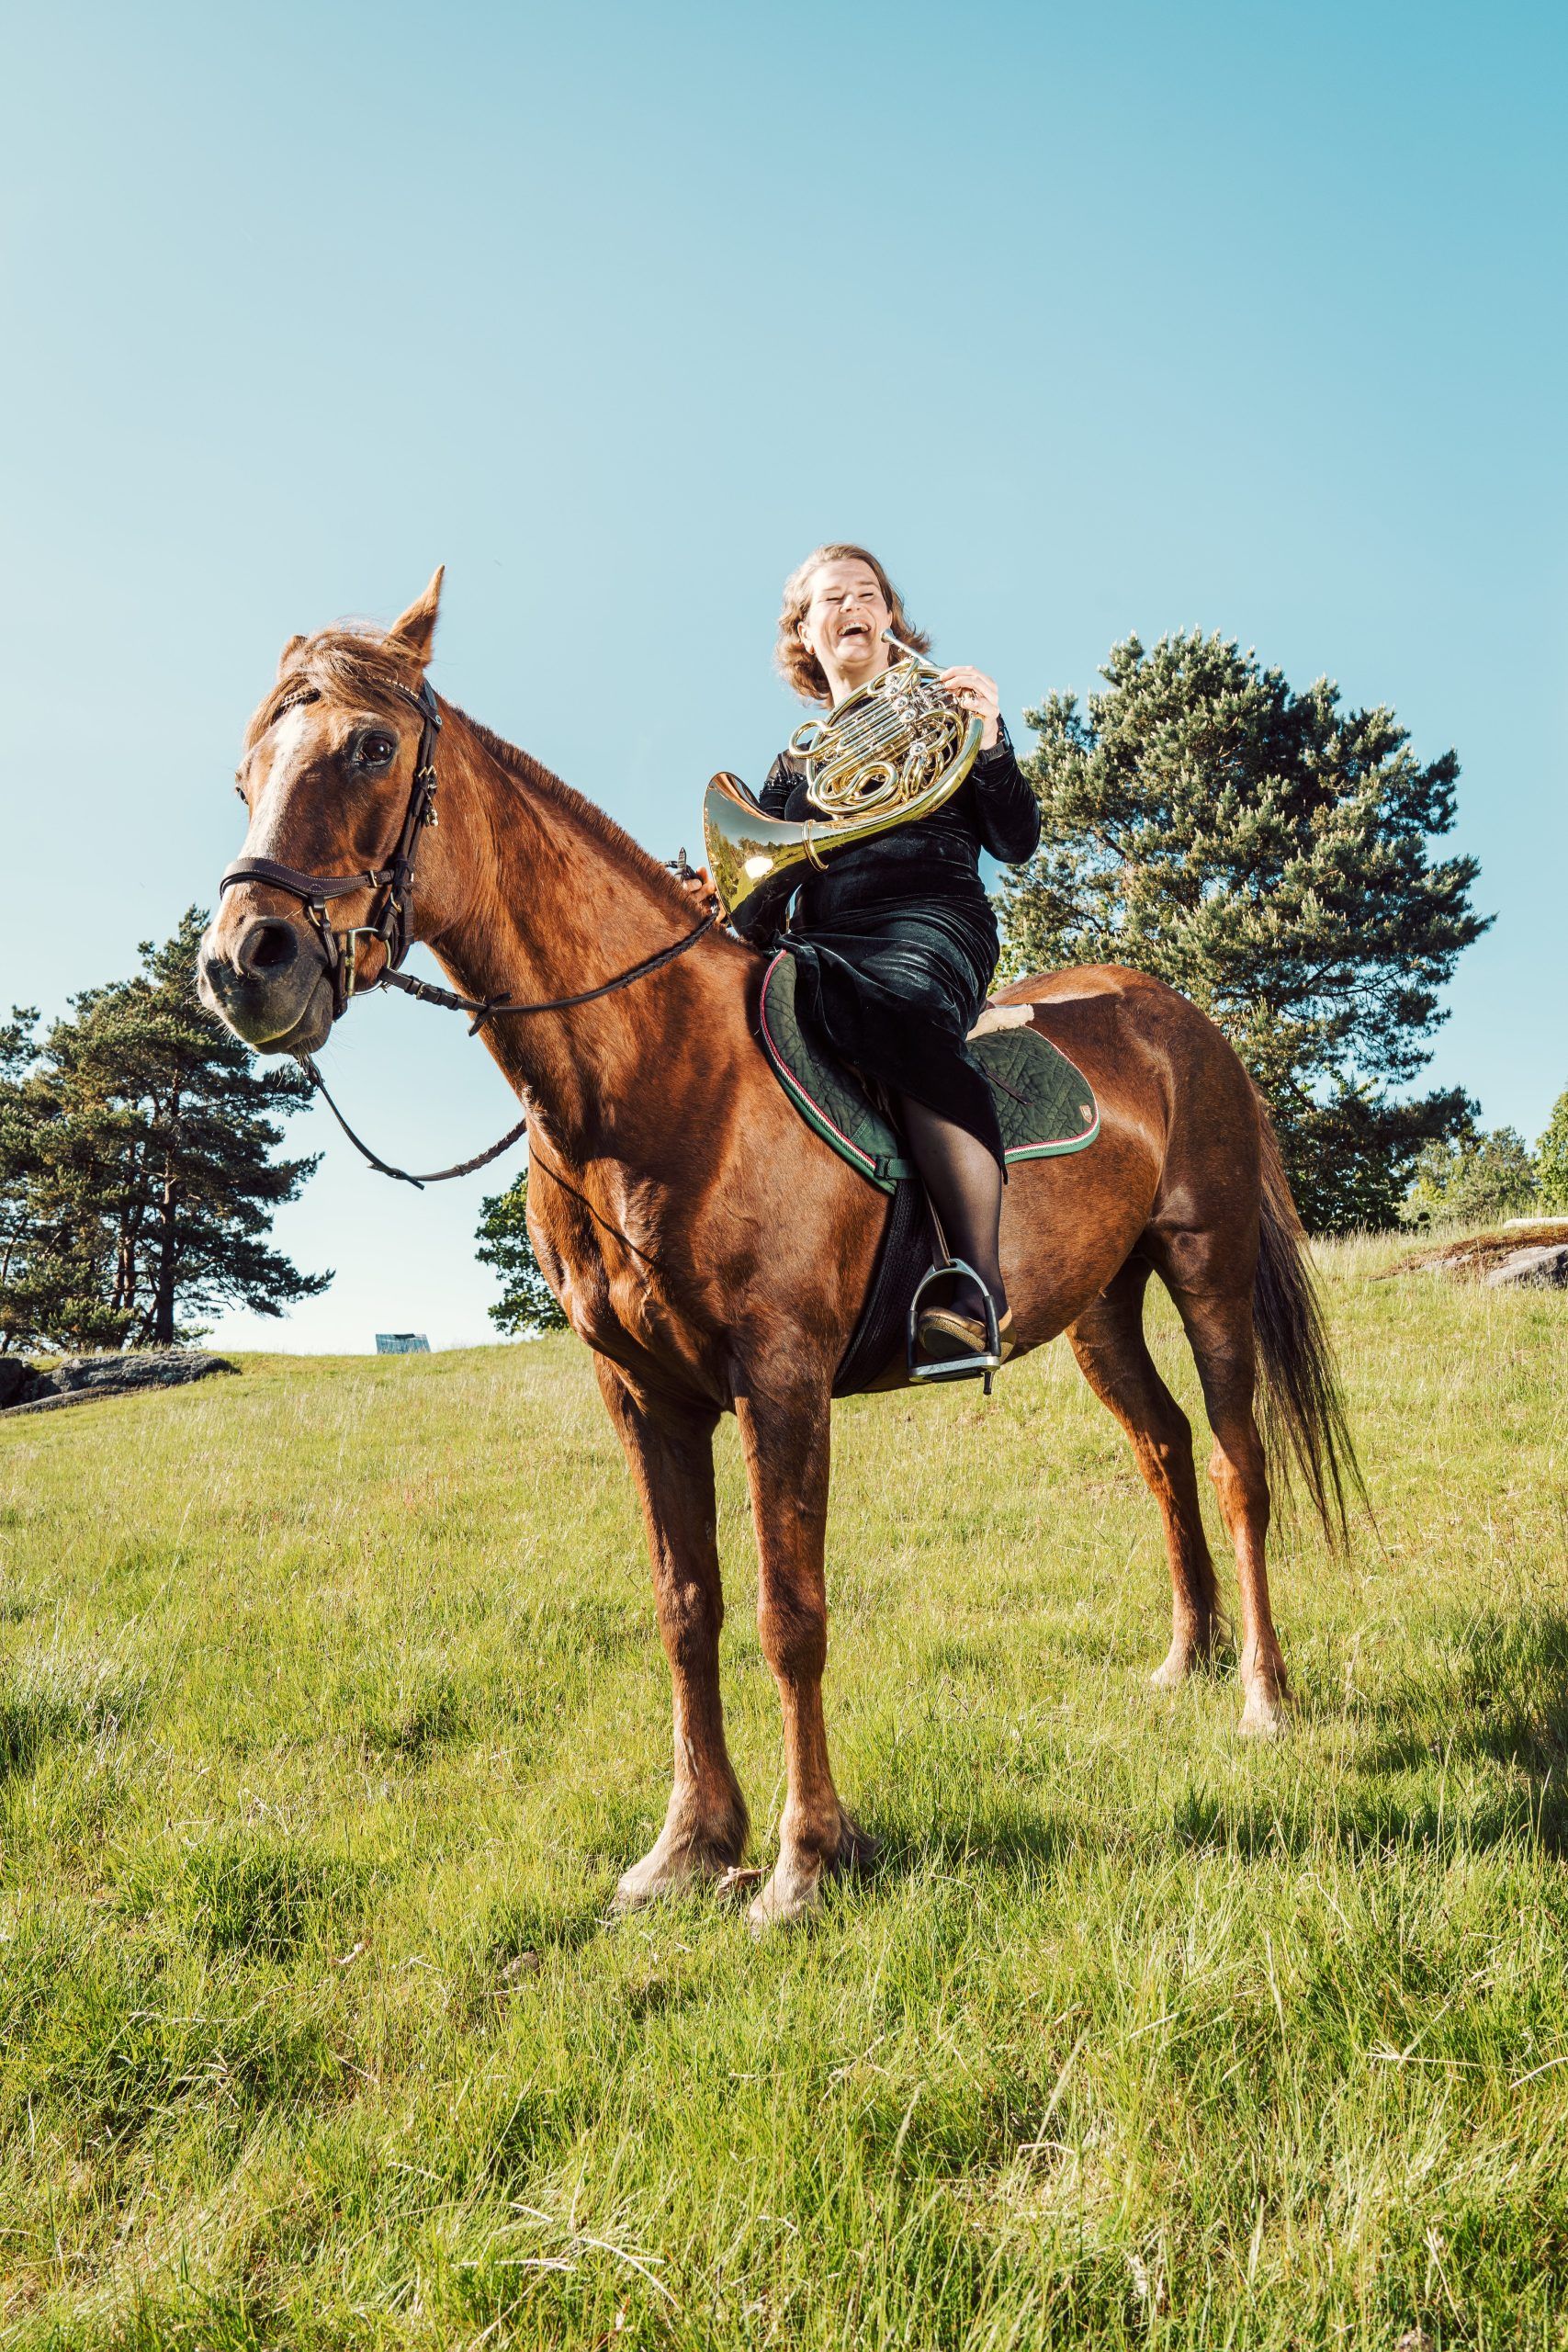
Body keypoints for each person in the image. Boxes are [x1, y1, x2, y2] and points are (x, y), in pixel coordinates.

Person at [689, 543, 1041, 1365]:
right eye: (830, 599)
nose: (852, 605)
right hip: (824, 940)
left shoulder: (949, 710)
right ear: (805, 635)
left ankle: (976, 1287)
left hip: (929, 919)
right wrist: (713, 892)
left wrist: (988, 742)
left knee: (899, 1009)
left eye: (867, 593)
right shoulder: (797, 762)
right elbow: (761, 897)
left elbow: (1016, 839)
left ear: (887, 617)